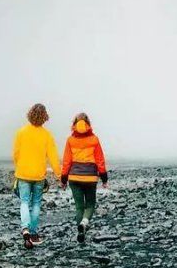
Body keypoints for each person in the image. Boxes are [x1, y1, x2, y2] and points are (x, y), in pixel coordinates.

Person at [12, 103, 60, 249]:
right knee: (37, 203)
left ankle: (25, 229)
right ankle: (33, 233)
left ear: (30, 114)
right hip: (39, 175)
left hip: (23, 173)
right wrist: (59, 174)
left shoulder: (21, 132)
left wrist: (19, 167)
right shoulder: (47, 135)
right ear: (44, 117)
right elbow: (53, 157)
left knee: (24, 202)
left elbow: (16, 153)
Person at [60, 112, 108, 243]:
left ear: (74, 124)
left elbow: (66, 161)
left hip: (74, 177)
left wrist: (63, 179)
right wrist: (104, 178)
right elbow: (100, 160)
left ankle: (80, 230)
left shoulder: (70, 140)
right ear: (88, 123)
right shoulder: (94, 139)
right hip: (90, 177)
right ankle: (84, 223)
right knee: (90, 205)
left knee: (79, 207)